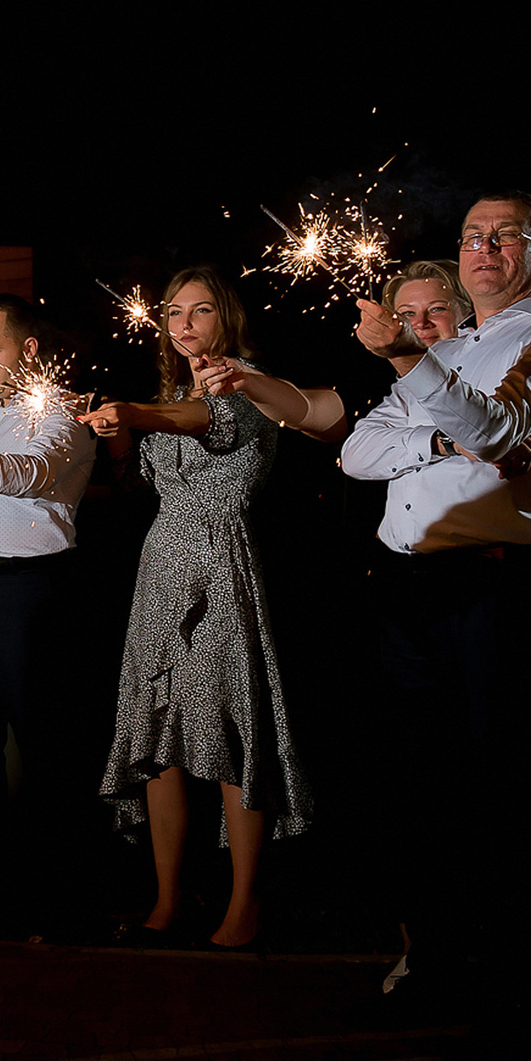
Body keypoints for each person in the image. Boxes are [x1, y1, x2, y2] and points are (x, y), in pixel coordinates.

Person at [339, 194, 531, 1021]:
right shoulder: (447, 348)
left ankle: (520, 971)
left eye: (503, 236)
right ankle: (431, 959)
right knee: (421, 784)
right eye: (469, 236)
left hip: (498, 584)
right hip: (412, 589)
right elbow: (357, 450)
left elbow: (494, 429)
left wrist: (410, 369)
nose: (482, 247)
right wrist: (432, 432)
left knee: (504, 780)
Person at [79, 266, 312, 948]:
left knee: (233, 724)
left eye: (201, 309)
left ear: (227, 319)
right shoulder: (169, 391)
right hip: (160, 564)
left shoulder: (245, 385)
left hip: (221, 560)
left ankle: (244, 904)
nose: (183, 323)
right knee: (157, 736)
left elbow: (202, 421)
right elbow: (147, 457)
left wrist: (137, 414)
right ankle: (166, 900)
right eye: (173, 311)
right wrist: (110, 425)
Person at [0, 295, 96, 883]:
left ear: (28, 349)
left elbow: (29, 474)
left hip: (26, 591)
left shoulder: (65, 415)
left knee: (43, 741)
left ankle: (53, 878)